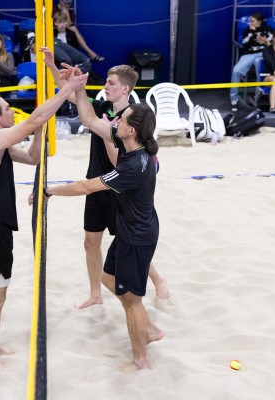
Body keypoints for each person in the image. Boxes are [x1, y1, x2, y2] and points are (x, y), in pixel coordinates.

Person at [0, 69, 88, 372]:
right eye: (7, 109)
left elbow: (34, 158)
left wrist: (39, 130)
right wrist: (67, 90)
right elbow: (34, 118)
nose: (12, 111)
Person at [46, 66, 164, 371]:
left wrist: (49, 191)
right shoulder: (130, 141)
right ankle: (148, 327)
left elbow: (86, 187)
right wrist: (76, 85)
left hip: (137, 235)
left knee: (132, 300)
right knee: (108, 278)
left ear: (131, 130)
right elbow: (89, 119)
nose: (116, 121)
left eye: (121, 120)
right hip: (129, 229)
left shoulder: (132, 165)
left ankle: (140, 359)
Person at [230, 12, 273, 111]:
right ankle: (234, 99)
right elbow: (244, 44)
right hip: (249, 54)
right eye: (250, 21)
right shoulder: (247, 30)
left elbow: (272, 46)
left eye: (253, 21)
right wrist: (252, 33)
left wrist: (266, 41)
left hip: (263, 53)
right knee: (236, 71)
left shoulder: (268, 29)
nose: (251, 23)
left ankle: (258, 95)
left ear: (259, 22)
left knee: (258, 63)